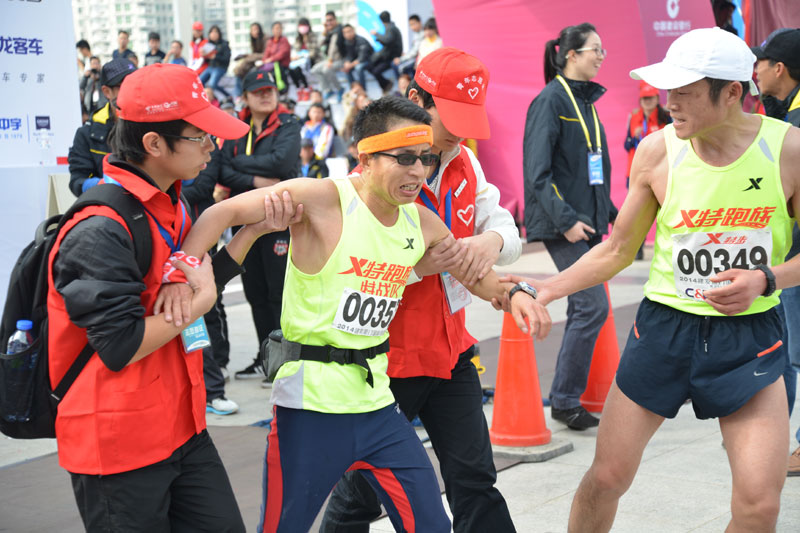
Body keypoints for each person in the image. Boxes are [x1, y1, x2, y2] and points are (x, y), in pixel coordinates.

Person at [178, 94, 550, 533]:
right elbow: (221, 212)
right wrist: (182, 274)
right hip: (308, 407)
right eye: (405, 158)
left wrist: (518, 293)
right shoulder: (319, 198)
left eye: (426, 158)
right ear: (367, 156)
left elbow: (474, 276)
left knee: (431, 522)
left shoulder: (422, 222)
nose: (418, 172)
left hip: (377, 406)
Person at [506, 27, 800, 531]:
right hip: (664, 331)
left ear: (732, 92)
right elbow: (619, 248)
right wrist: (548, 289)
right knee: (607, 478)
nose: (671, 104)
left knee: (759, 505)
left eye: (684, 93)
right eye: (669, 91)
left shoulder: (789, 149)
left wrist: (766, 278)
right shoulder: (657, 151)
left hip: (748, 337)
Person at [46, 61, 286, 532]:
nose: (212, 148)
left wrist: (252, 231)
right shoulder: (100, 227)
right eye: (200, 137)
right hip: (120, 447)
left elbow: (199, 276)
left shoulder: (170, 202)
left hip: (183, 428)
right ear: (154, 144)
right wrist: (197, 305)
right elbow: (120, 343)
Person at [321, 48, 520, 533]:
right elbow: (347, 267)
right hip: (390, 362)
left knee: (475, 480)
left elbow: (507, 232)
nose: (456, 131)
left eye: (468, 118)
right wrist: (419, 268)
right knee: (362, 497)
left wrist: (491, 241)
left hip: (452, 352)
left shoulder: (465, 163)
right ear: (414, 99)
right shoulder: (371, 178)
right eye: (448, 116)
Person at [522, 22, 616, 430]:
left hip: (586, 222)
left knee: (590, 305)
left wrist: (610, 214)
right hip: (563, 224)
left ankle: (565, 397)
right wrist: (567, 221)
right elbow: (537, 173)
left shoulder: (586, 103)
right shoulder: (551, 100)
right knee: (591, 304)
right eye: (595, 48)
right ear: (571, 55)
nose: (601, 55)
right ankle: (563, 399)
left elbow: (589, 171)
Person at [218, 70, 301, 382]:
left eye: (270, 90)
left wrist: (238, 165)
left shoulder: (289, 123)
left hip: (280, 219)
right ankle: (265, 356)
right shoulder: (236, 127)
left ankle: (285, 359)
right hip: (246, 221)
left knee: (279, 292)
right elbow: (222, 170)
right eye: (258, 91)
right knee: (254, 291)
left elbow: (283, 163)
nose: (266, 95)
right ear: (245, 97)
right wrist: (256, 179)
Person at [752, 27, 800, 476]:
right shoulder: (784, 113)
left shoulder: (795, 126)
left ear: (779, 69)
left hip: (794, 262)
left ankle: (782, 445)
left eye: (761, 63)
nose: (756, 71)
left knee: (791, 354)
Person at [68, 58, 137, 197]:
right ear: (107, 92)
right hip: (110, 208)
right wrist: (107, 184)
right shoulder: (87, 133)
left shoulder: (153, 123)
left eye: (136, 84)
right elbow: (77, 182)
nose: (133, 91)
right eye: (124, 85)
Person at [624, 81, 671, 260]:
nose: (647, 102)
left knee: (666, 210)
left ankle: (667, 248)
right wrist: (633, 137)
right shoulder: (634, 117)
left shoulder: (666, 116)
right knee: (637, 213)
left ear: (657, 98)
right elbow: (626, 144)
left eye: (650, 98)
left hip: (663, 171)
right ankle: (637, 249)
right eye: (644, 99)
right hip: (636, 171)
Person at [311, 11, 345, 102]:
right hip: (331, 60)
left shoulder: (339, 30)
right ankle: (328, 90)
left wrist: (330, 60)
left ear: (335, 20)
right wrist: (324, 31)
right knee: (315, 69)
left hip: (341, 59)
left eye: (331, 20)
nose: (329, 22)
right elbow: (319, 44)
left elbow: (334, 47)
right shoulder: (329, 32)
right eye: (327, 21)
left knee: (326, 70)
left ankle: (339, 89)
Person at [368, 11, 404, 94]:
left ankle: (386, 85)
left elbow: (387, 41)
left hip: (391, 58)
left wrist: (377, 34)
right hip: (389, 56)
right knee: (370, 65)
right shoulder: (391, 27)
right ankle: (386, 85)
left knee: (375, 70)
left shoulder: (391, 28)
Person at [289, 17, 320, 101]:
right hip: (299, 60)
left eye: (304, 25)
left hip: (311, 60)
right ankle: (299, 89)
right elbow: (296, 50)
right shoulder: (298, 39)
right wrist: (295, 57)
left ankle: (306, 88)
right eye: (300, 26)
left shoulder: (313, 36)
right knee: (291, 69)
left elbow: (315, 51)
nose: (302, 28)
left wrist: (304, 56)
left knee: (298, 69)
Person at [233, 23, 267, 97]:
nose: (255, 31)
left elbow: (265, 54)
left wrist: (250, 57)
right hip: (255, 62)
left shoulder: (265, 39)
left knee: (249, 75)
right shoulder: (253, 41)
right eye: (252, 30)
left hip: (264, 63)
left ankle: (245, 94)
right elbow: (254, 54)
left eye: (256, 29)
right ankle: (238, 96)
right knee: (239, 74)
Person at [199, 25, 232, 100]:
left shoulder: (224, 44)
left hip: (220, 67)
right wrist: (204, 55)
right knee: (199, 82)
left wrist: (215, 57)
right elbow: (206, 60)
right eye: (211, 32)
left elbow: (227, 59)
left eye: (215, 32)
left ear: (219, 34)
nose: (213, 34)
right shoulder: (208, 45)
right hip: (210, 67)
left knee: (212, 84)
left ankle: (227, 96)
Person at [340, 24, 374, 94]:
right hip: (357, 61)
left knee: (358, 68)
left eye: (349, 31)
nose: (347, 34)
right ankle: (353, 89)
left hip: (369, 60)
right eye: (345, 32)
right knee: (347, 69)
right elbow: (348, 55)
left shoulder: (361, 40)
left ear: (353, 31)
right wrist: (347, 62)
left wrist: (351, 65)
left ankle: (363, 90)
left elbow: (362, 57)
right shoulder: (347, 42)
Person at [262, 22, 291, 94]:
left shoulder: (284, 40)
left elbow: (282, 53)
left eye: (279, 28)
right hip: (270, 65)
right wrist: (265, 61)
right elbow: (266, 54)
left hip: (281, 66)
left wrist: (271, 59)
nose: (278, 30)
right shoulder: (270, 41)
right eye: (276, 28)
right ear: (272, 30)